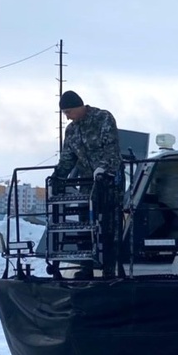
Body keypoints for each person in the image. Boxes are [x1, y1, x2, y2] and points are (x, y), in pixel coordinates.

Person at [52, 90, 123, 277]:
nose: (67, 117)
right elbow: (68, 158)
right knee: (84, 226)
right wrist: (57, 177)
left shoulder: (103, 118)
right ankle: (86, 267)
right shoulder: (72, 130)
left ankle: (111, 268)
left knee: (109, 226)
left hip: (109, 182)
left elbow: (112, 149)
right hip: (86, 184)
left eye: (68, 112)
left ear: (78, 106)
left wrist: (103, 169)